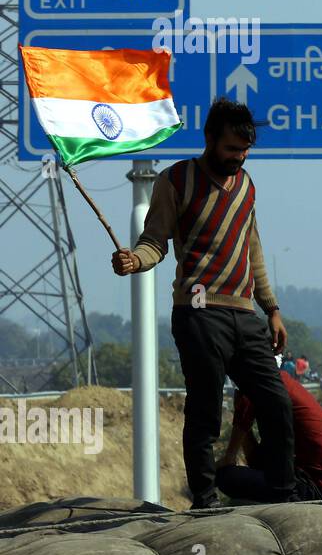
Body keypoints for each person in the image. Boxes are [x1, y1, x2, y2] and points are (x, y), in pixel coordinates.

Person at [111, 98, 295, 510]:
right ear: (210, 139)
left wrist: (273, 309)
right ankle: (205, 499)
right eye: (231, 149)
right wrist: (133, 261)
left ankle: (285, 494)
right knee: (205, 409)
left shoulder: (246, 186)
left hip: (245, 314)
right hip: (198, 313)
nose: (238, 158)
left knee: (276, 401)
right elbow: (155, 241)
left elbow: (254, 250)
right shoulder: (175, 181)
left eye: (245, 151)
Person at [218, 368, 322, 502]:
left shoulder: (262, 382)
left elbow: (230, 459)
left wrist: (226, 457)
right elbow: (258, 463)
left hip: (317, 489)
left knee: (225, 476)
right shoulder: (278, 386)